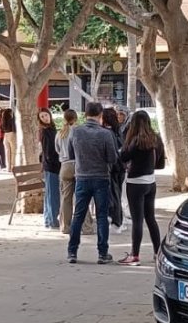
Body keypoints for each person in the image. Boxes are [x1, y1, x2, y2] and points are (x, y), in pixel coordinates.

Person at [66, 102, 118, 264]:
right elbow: (112, 158)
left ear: (85, 114)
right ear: (100, 115)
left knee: (78, 215)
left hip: (81, 177)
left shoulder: (75, 132)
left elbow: (70, 153)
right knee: (102, 216)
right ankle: (103, 253)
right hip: (101, 177)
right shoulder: (105, 134)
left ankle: (72, 252)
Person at [117, 111, 166, 265]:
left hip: (135, 183)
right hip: (151, 183)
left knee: (137, 220)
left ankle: (135, 255)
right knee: (150, 218)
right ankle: (157, 252)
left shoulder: (135, 140)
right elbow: (161, 164)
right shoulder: (156, 138)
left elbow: (123, 157)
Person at [103, 105, 126, 233]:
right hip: (120, 167)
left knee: (114, 194)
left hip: (113, 167)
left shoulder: (108, 133)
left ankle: (116, 221)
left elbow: (111, 153)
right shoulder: (118, 131)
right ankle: (118, 219)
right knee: (117, 193)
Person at [57, 109, 78, 234]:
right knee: (81, 197)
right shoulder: (77, 132)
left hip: (64, 165)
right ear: (75, 118)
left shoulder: (59, 133)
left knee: (66, 198)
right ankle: (86, 226)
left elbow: (57, 149)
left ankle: (65, 226)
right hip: (77, 164)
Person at [38, 109, 61, 229]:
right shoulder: (45, 132)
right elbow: (48, 152)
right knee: (52, 195)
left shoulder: (52, 129)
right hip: (52, 166)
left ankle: (49, 219)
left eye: (46, 115)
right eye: (42, 116)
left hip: (52, 165)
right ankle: (51, 220)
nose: (45, 118)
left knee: (50, 194)